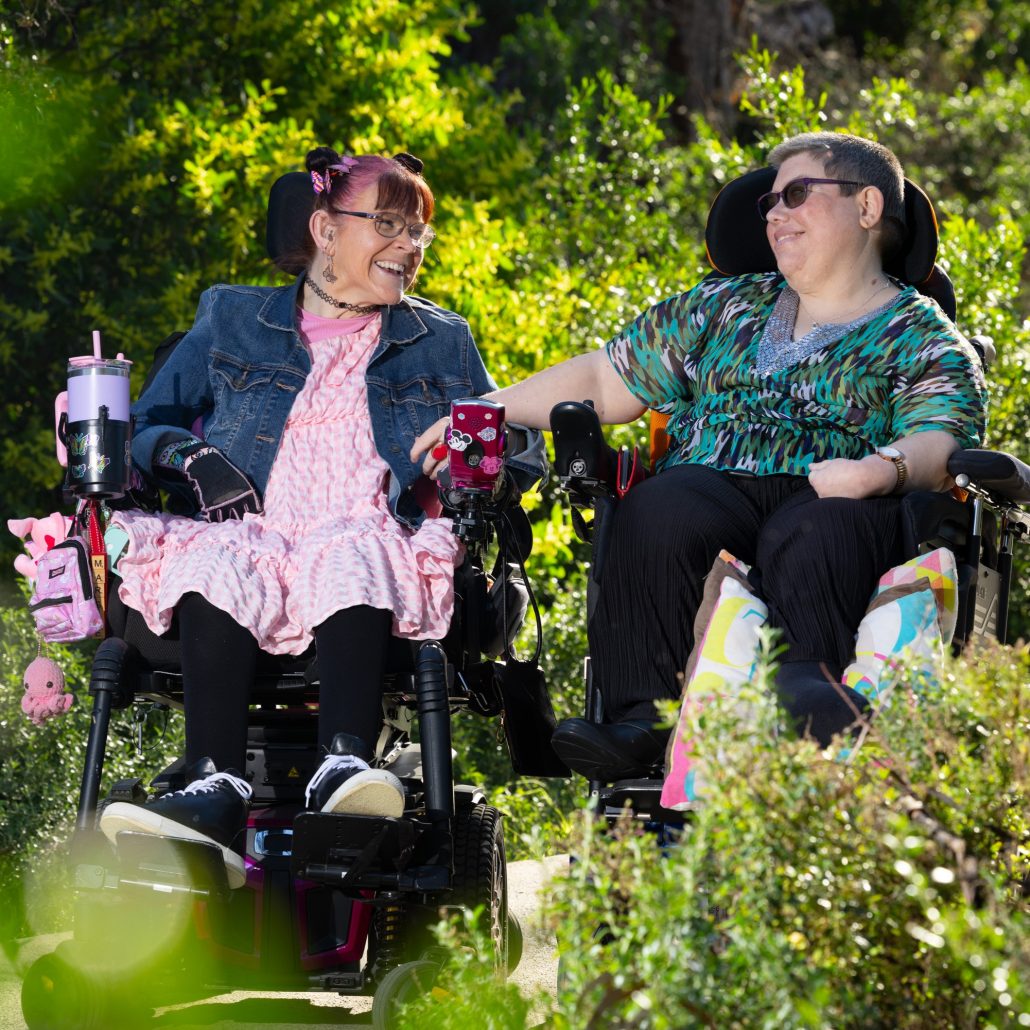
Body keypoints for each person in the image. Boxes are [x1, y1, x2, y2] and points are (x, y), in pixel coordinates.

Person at [413, 131, 988, 778]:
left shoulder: (920, 333)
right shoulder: (724, 307)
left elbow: (943, 435)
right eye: (770, 200)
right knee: (660, 508)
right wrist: (484, 410)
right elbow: (607, 381)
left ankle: (803, 713)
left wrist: (881, 470)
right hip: (711, 484)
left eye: (797, 194)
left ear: (867, 207)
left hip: (837, 494)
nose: (773, 212)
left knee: (814, 527)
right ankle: (645, 723)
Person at [99, 147, 545, 885]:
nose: (410, 247)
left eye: (420, 232)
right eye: (392, 226)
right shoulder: (232, 315)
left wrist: (471, 464)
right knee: (216, 560)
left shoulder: (441, 338)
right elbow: (144, 424)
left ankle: (345, 766)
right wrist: (189, 457)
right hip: (254, 525)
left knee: (353, 555)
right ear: (326, 229)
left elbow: (514, 444)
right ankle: (212, 787)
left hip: (363, 521)